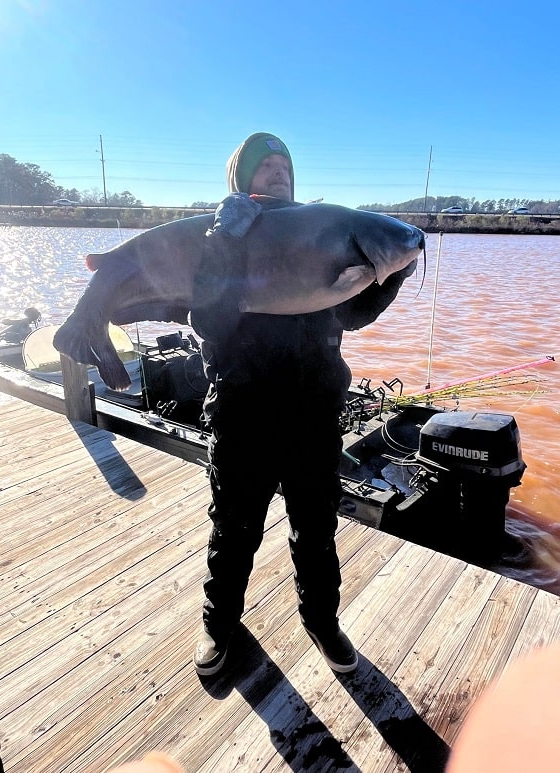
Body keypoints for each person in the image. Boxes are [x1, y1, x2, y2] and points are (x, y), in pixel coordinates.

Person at [190, 132, 412, 678]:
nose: (277, 170)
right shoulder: (215, 235)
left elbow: (349, 314)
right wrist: (223, 241)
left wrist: (389, 274)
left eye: (283, 163)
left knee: (315, 531)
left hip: (312, 417)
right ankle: (219, 626)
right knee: (234, 531)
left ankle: (321, 620)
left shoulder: (319, 235)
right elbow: (208, 321)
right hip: (241, 417)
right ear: (242, 180)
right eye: (264, 166)